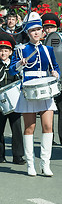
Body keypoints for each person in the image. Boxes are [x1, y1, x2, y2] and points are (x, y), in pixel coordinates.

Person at [9, 12, 61, 176]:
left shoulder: (48, 49)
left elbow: (56, 67)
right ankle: (30, 164)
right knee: (30, 127)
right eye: (33, 30)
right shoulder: (21, 49)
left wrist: (55, 73)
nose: (36, 32)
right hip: (29, 90)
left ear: (43, 31)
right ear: (27, 32)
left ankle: (45, 164)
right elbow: (11, 69)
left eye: (39, 29)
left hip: (45, 89)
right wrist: (19, 64)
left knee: (48, 126)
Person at [41, 13, 62, 146]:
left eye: (52, 28)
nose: (49, 30)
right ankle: (50, 136)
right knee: (48, 109)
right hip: (45, 80)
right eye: (46, 28)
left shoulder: (60, 42)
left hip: (58, 79)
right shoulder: (39, 43)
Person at [0, 32, 25, 164]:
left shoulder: (15, 66)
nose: (3, 53)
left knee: (16, 129)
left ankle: (18, 156)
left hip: (14, 101)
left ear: (10, 52)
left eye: (6, 50)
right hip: (0, 103)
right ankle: (0, 155)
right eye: (1, 51)